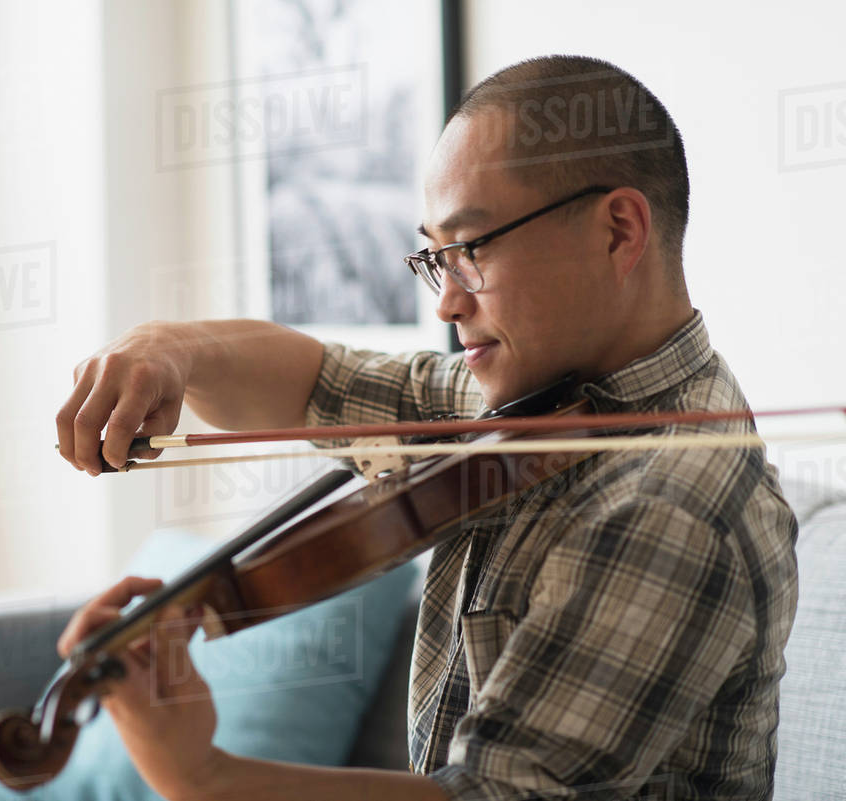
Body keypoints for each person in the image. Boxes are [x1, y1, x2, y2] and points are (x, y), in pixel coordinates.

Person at [54, 55, 798, 801]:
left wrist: (200, 775)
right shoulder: (536, 404)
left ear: (617, 231)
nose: (446, 303)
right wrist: (169, 348)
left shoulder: (671, 504)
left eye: (471, 249)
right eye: (435, 258)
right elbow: (317, 382)